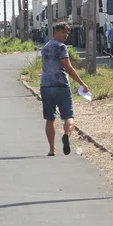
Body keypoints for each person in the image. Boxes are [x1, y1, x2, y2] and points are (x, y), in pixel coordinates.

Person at [40, 22, 88, 156]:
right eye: (63, 32)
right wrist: (82, 83)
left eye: (67, 33)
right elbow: (68, 67)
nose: (66, 35)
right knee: (69, 116)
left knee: (50, 119)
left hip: (45, 85)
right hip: (61, 84)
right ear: (55, 32)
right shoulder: (61, 47)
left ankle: (52, 149)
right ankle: (66, 134)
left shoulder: (45, 47)